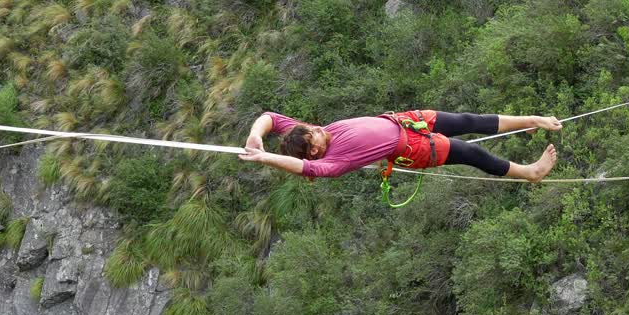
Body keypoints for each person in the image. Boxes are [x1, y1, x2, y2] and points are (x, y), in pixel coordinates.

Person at [239, 109, 561, 182]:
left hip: (405, 121)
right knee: (473, 153)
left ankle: (529, 121)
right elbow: (304, 168)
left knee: (467, 120)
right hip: (413, 149)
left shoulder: (313, 134)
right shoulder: (332, 161)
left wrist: (256, 136)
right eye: (315, 136)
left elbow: (270, 117)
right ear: (314, 150)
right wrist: (265, 158)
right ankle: (530, 173)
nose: (318, 129)